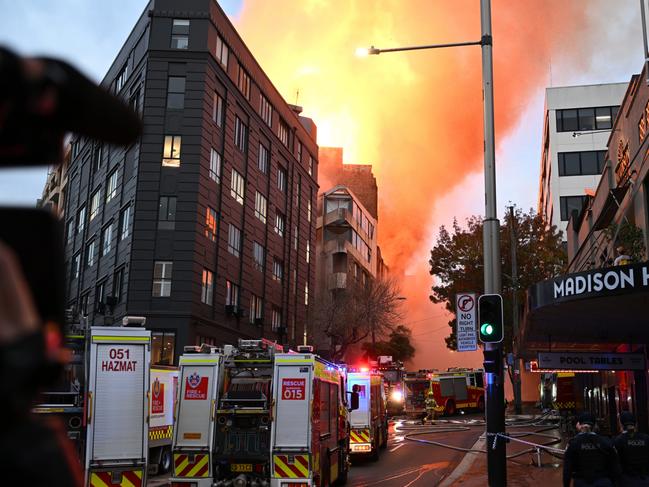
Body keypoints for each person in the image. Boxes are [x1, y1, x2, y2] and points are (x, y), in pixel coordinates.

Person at [563, 412, 620, 487]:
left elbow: (567, 469)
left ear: (579, 425)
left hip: (581, 482)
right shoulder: (606, 441)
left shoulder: (573, 443)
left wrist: (566, 485)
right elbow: (615, 466)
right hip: (603, 482)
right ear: (595, 425)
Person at [614, 411, 649, 486]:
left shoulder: (618, 440)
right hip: (645, 479)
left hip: (627, 480)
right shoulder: (646, 438)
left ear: (621, 424)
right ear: (635, 423)